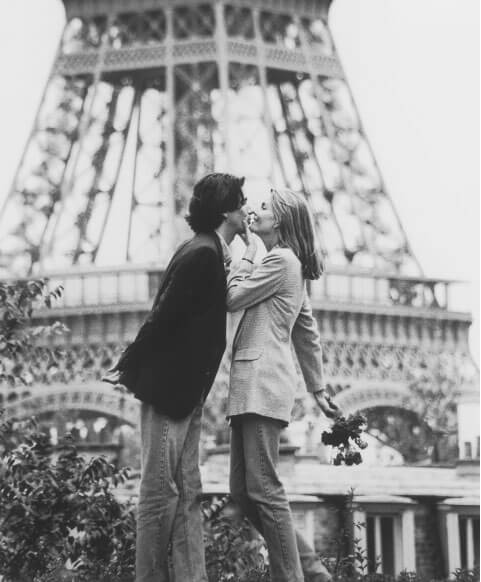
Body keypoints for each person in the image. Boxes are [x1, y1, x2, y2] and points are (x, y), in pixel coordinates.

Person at [103, 173, 247, 582]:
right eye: (241, 204)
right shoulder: (201, 254)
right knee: (160, 492)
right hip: (171, 392)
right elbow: (163, 315)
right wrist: (128, 363)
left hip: (187, 391)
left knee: (187, 492)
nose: (247, 211)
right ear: (226, 212)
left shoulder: (208, 250)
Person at [226, 187, 341, 582]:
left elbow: (233, 297)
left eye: (263, 207)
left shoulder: (279, 260)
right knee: (244, 492)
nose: (254, 210)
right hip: (255, 385)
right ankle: (313, 572)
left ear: (280, 220)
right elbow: (306, 330)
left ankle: (295, 577)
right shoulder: (288, 264)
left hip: (261, 384)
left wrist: (244, 252)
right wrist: (317, 388)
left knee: (264, 489)